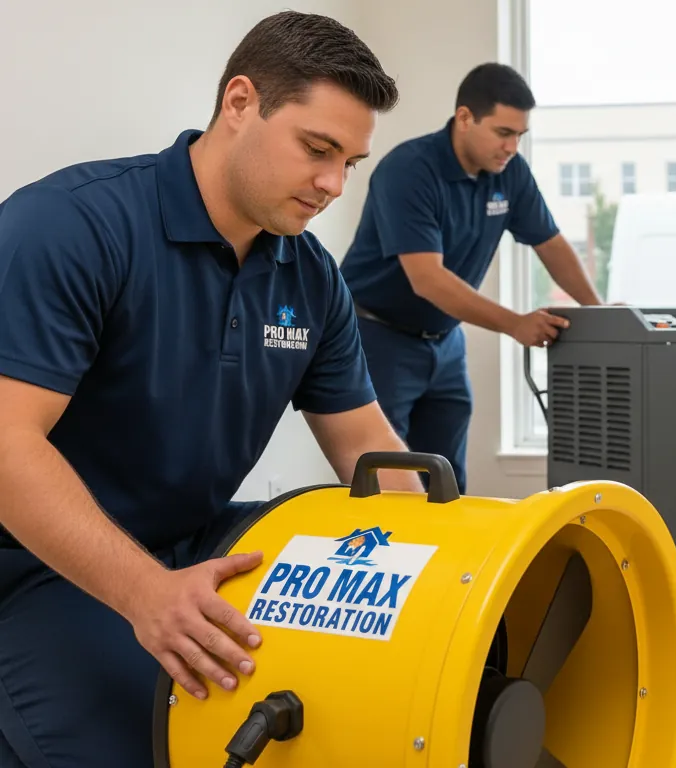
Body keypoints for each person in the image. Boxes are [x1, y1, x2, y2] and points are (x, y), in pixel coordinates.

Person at [0, 12, 427, 766]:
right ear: (240, 103)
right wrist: (144, 595)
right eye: (317, 149)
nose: (332, 184)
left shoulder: (309, 276)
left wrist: (456, 574)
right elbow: (5, 445)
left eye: (351, 163)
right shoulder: (71, 227)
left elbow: (370, 452)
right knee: (156, 739)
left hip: (193, 543)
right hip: (31, 566)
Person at [339, 62, 602, 494]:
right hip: (377, 338)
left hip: (444, 342)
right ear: (464, 118)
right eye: (503, 133)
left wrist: (598, 310)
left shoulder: (509, 173)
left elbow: (551, 244)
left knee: (446, 482)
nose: (512, 146)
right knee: (388, 485)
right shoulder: (409, 171)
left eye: (520, 135)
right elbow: (427, 279)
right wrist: (515, 323)